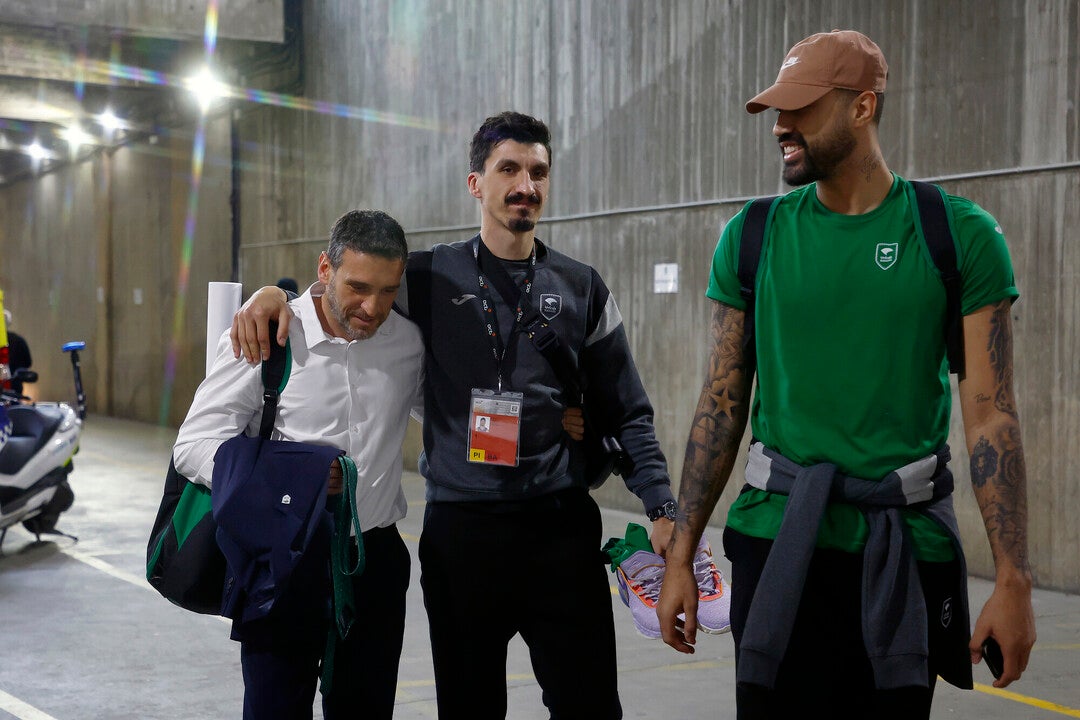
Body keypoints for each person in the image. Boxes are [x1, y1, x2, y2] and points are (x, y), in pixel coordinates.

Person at [231, 111, 692, 719]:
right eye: (509, 169)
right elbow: (342, 291)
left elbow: (629, 411)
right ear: (476, 183)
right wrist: (269, 296)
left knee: (590, 707)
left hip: (559, 528)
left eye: (537, 171)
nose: (524, 184)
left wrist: (662, 507)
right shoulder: (423, 278)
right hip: (461, 535)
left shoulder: (582, 286)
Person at [656, 29, 1036, 719]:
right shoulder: (752, 237)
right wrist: (682, 554)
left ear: (863, 107)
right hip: (777, 547)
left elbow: (990, 413)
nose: (781, 126)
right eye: (777, 110)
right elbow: (721, 404)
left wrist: (1013, 579)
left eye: (801, 108)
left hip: (903, 549)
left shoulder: (959, 234)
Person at [173, 209, 425, 720]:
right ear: (325, 269)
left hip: (373, 560)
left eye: (387, 290)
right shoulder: (268, 337)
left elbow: (449, 418)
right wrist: (293, 477)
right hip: (282, 558)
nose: (372, 307)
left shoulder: (407, 343)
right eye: (357, 287)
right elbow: (193, 444)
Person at [3, 309, 32, 397]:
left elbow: (27, 363)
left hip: (13, 391)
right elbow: (28, 363)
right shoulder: (18, 341)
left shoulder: (18, 341)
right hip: (14, 391)